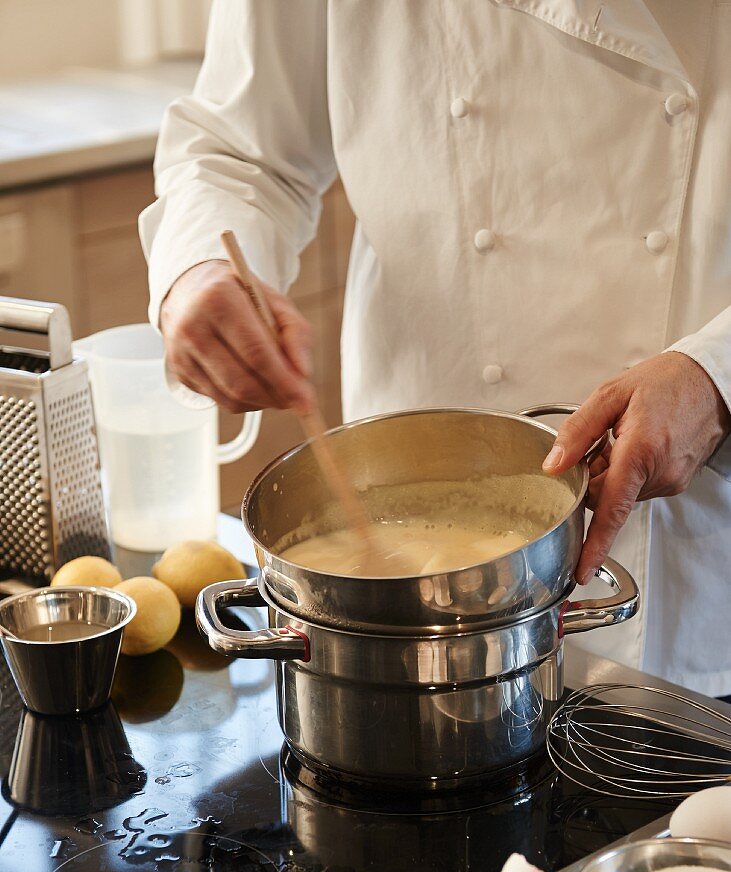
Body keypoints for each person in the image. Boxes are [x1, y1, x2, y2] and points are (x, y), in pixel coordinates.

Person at [140, 1, 731, 696]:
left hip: (696, 550)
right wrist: (199, 266)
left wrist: (716, 375)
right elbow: (241, 148)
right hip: (398, 553)